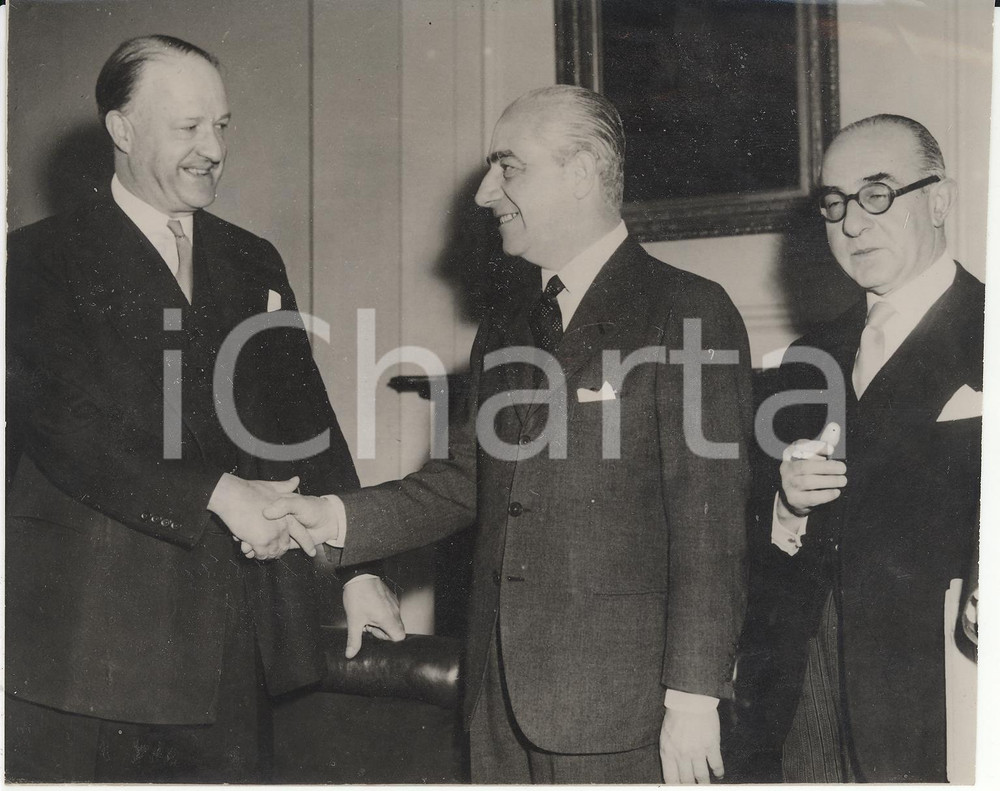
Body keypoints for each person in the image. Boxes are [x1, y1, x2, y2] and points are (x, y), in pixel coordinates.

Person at [265, 85, 753, 784]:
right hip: (497, 708)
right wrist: (333, 517)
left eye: (508, 167)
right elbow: (467, 479)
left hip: (626, 719)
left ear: (582, 172)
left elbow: (711, 527)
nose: (485, 192)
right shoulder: (504, 327)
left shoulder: (687, 312)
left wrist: (695, 698)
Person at [5, 35, 403, 783]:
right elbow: (66, 428)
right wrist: (220, 493)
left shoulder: (253, 258)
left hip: (229, 648)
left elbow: (305, 419)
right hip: (83, 651)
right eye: (188, 128)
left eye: (222, 126)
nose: (212, 148)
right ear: (120, 130)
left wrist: (358, 569)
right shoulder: (33, 260)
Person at [761, 114, 983, 782]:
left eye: (877, 193)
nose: (852, 223)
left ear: (938, 199)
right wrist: (785, 503)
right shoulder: (807, 358)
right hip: (810, 682)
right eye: (834, 203)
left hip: (940, 684)